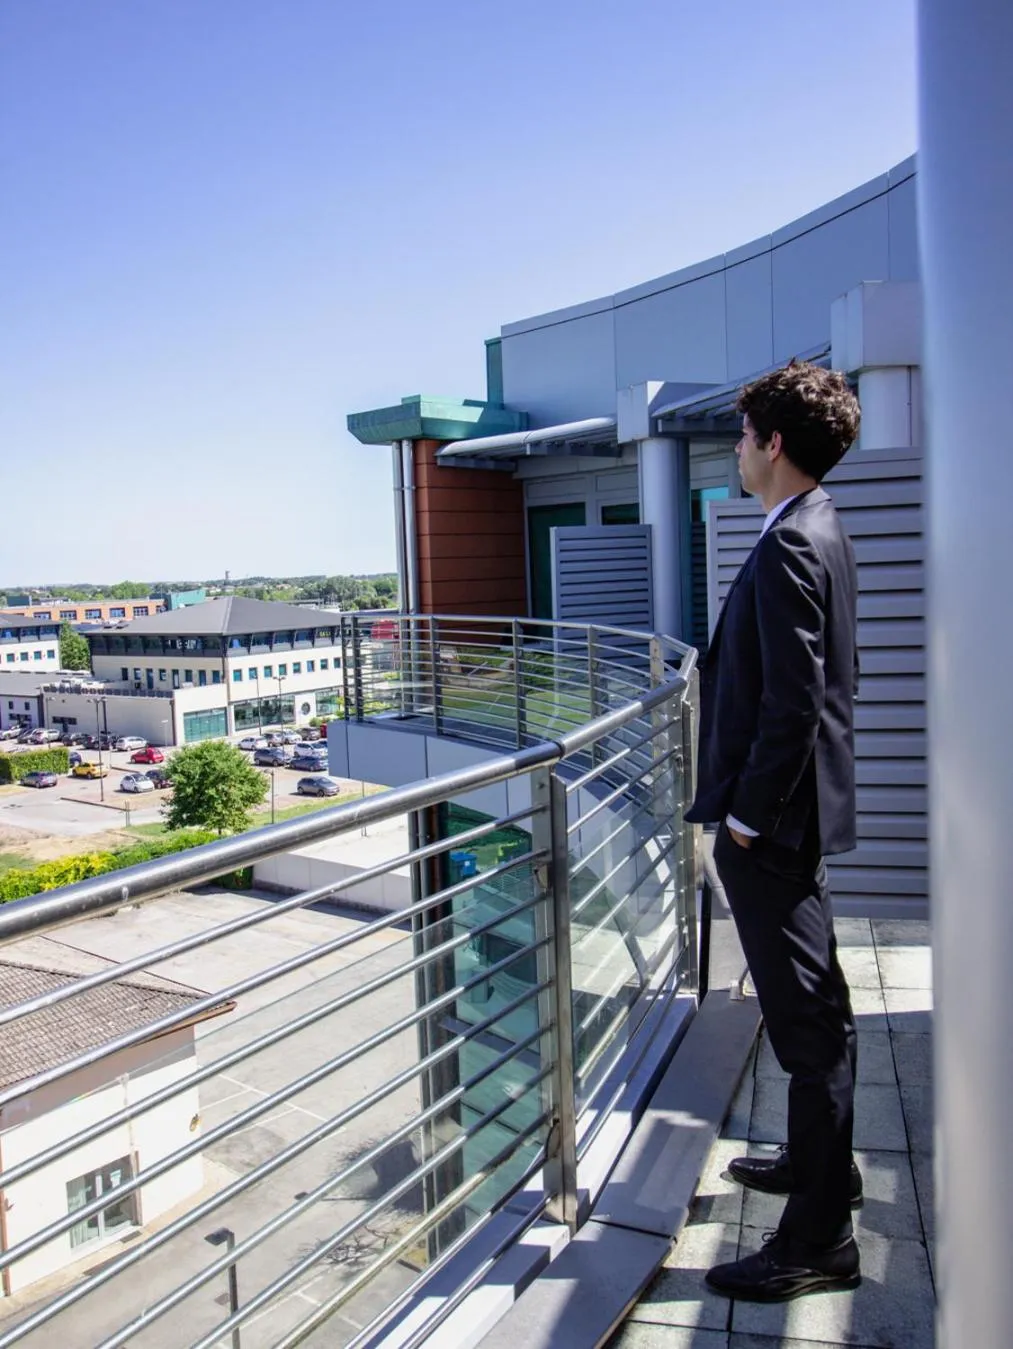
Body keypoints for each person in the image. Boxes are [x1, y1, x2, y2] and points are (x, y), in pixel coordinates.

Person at [685, 360, 863, 1302]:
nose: (737, 448)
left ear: (773, 444)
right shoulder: (815, 525)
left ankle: (818, 1239)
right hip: (792, 822)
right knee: (816, 1006)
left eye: (744, 433)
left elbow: (795, 703)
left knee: (808, 1029)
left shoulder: (792, 540)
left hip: (775, 829)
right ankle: (815, 1165)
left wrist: (748, 821)